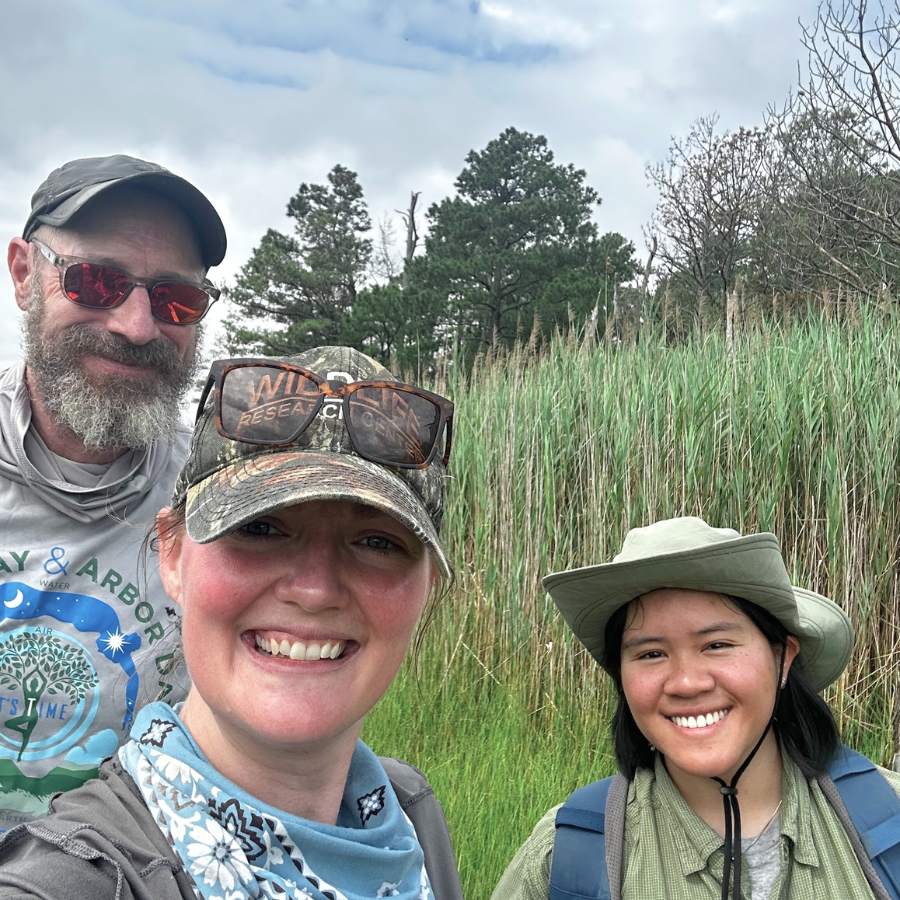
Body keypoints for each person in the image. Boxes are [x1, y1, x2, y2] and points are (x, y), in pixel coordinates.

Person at [0, 345, 463, 900]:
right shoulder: (78, 879)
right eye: (261, 528)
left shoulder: (408, 815)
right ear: (172, 555)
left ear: (426, 585)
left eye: (376, 542)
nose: (314, 590)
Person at [493, 517, 900, 900]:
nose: (686, 683)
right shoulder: (564, 859)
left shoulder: (890, 818)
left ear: (783, 658)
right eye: (651, 654)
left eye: (717, 645)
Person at [0, 155, 226, 830]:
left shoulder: (217, 495)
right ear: (24, 274)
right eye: (96, 282)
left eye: (175, 299)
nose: (136, 326)